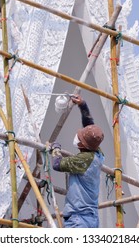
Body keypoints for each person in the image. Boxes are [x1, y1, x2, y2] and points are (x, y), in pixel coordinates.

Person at [51, 94, 105, 228]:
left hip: (78, 219)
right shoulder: (98, 155)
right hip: (91, 219)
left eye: (80, 137)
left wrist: (55, 149)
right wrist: (83, 105)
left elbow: (57, 164)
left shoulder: (82, 160)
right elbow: (91, 129)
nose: (78, 137)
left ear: (83, 145)